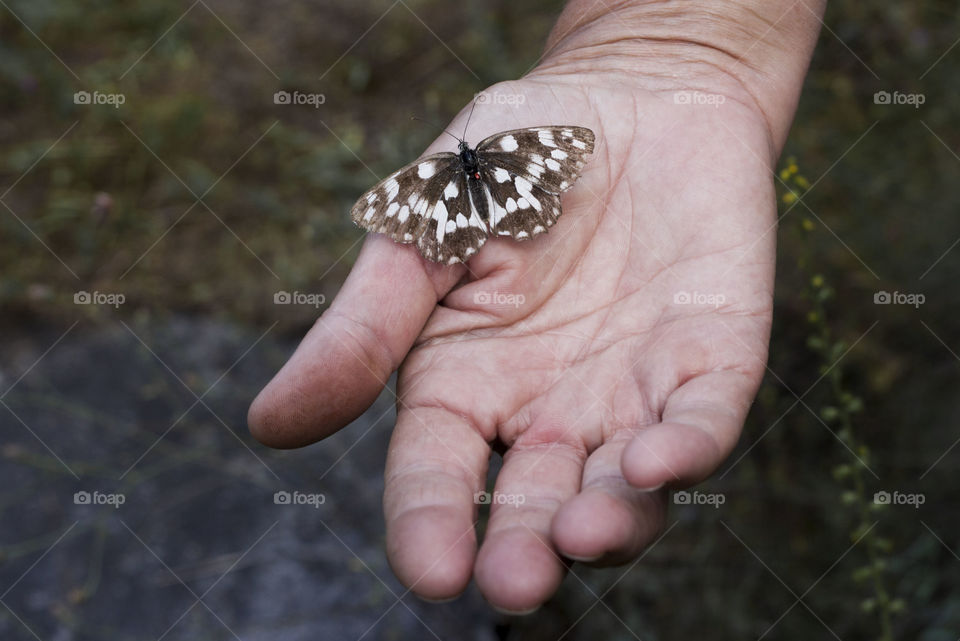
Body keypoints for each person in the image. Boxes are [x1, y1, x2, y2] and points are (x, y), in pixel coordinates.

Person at [248, 0, 826, 614]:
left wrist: (667, 52)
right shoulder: (482, 160)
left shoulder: (489, 158)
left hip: (488, 191)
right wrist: (659, 44)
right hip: (494, 191)